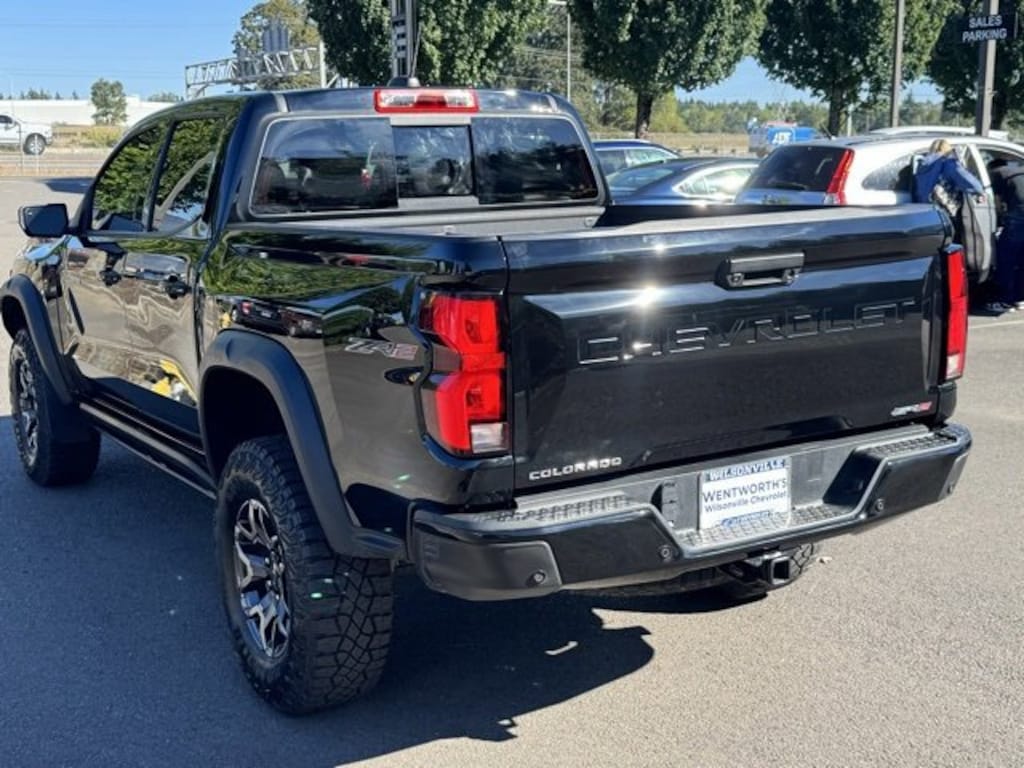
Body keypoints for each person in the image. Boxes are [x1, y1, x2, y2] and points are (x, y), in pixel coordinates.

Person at [985, 158, 1024, 314]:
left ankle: (1004, 300)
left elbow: (997, 201)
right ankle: (1020, 299)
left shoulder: (996, 174)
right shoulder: (1018, 171)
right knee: (1022, 261)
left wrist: (1000, 217)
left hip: (1018, 217)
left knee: (1005, 259)